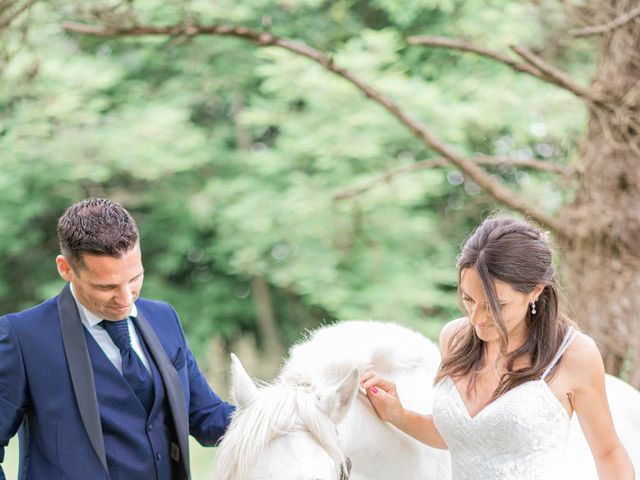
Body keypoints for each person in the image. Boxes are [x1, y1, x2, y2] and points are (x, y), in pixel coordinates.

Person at [360, 216, 634, 479]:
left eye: (495, 306)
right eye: (469, 300)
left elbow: (608, 453)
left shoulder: (575, 355)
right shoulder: (453, 338)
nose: (477, 318)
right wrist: (400, 416)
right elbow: (468, 438)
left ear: (535, 291)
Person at [0, 198, 234, 480]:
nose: (125, 299)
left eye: (135, 278)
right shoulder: (22, 337)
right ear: (65, 269)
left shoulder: (165, 318)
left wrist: (281, 414)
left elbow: (206, 416)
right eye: (106, 286)